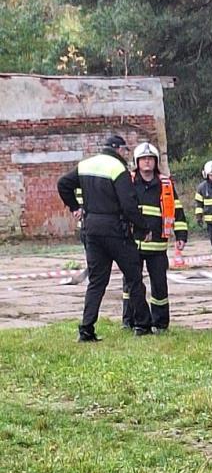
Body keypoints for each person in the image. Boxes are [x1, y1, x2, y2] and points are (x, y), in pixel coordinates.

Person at [57, 132, 150, 341]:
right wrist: (142, 228)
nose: (125, 154)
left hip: (91, 229)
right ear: (118, 149)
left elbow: (63, 184)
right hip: (115, 230)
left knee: (97, 281)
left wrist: (75, 207)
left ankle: (86, 329)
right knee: (134, 277)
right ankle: (143, 325)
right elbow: (128, 204)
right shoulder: (118, 169)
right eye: (124, 150)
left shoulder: (86, 164)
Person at [122, 142, 173, 332]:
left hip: (158, 246)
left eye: (150, 159)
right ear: (137, 162)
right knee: (131, 285)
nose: (147, 163)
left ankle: (160, 323)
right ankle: (130, 320)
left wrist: (182, 234)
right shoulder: (128, 182)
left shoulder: (165, 184)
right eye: (143, 159)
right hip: (133, 244)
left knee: (159, 286)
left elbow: (176, 209)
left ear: (156, 162)